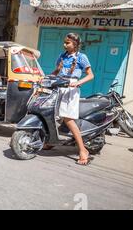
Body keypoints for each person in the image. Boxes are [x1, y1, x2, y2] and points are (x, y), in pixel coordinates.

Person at [48, 32, 95, 165]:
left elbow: (91, 75)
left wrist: (78, 82)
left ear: (75, 44)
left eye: (67, 42)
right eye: (64, 42)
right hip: (60, 87)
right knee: (53, 116)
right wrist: (47, 77)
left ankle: (82, 150)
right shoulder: (62, 56)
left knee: (68, 119)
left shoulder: (82, 57)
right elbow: (56, 72)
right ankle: (52, 141)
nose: (64, 44)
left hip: (71, 89)